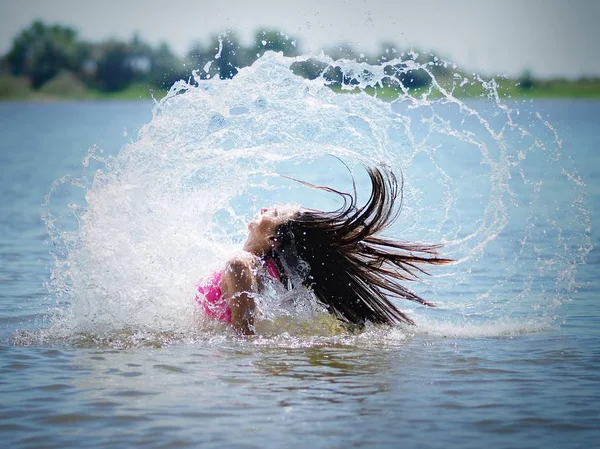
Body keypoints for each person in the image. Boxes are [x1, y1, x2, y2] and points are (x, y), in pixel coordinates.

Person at [196, 165, 452, 335]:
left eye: (274, 213)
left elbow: (243, 337)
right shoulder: (270, 269)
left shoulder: (240, 264)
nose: (264, 209)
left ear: (274, 240)